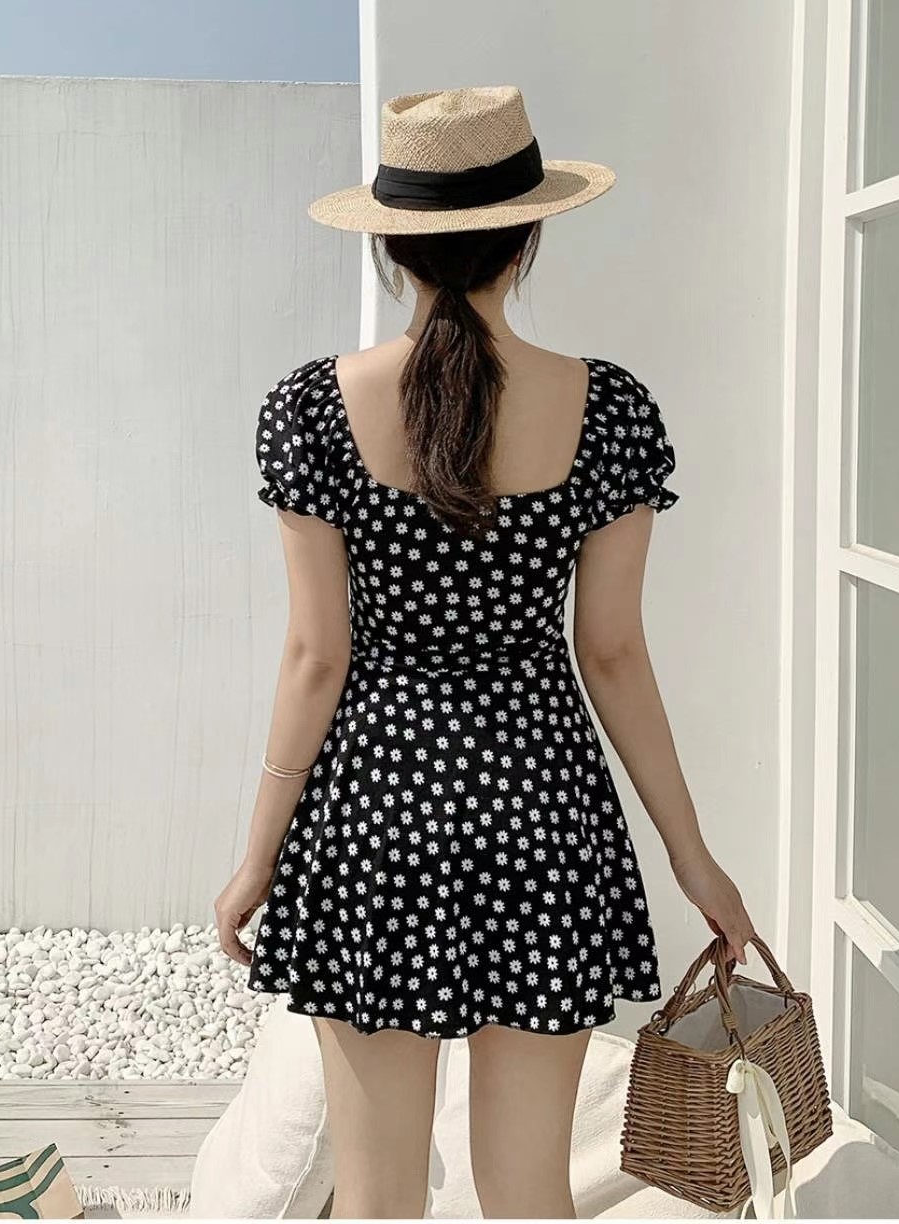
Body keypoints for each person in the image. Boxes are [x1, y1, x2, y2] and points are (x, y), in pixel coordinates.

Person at [214, 85, 755, 1220]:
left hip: (374, 815)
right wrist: (691, 856)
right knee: (526, 1195)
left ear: (392, 251)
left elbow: (316, 656)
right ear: (527, 239)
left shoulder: (311, 410)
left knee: (376, 1201)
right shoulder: (608, 410)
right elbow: (611, 653)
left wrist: (257, 857)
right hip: (542, 811)